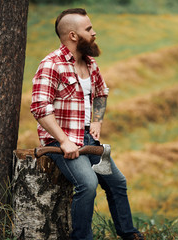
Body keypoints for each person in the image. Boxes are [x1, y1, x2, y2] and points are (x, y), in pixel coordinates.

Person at [30, 8, 145, 240]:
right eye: (89, 29)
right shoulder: (52, 64)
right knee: (88, 183)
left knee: (117, 182)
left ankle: (129, 234)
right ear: (73, 35)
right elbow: (40, 108)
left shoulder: (90, 63)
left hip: (89, 141)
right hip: (60, 142)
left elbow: (101, 93)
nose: (94, 33)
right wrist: (63, 141)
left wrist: (97, 122)